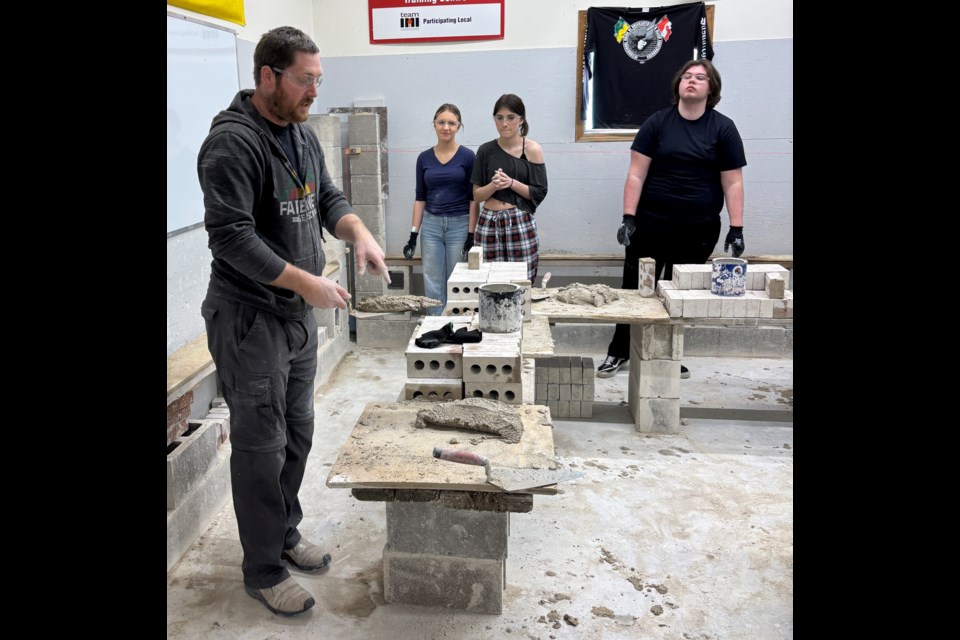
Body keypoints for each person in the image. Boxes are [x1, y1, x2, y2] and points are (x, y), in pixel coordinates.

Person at [197, 26, 390, 617]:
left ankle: (282, 534)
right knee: (260, 444)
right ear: (267, 77)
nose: (313, 91)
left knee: (298, 432)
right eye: (304, 80)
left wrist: (357, 230)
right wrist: (309, 283)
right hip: (250, 318)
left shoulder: (301, 134)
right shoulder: (233, 143)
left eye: (318, 80)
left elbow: (326, 196)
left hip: (295, 316)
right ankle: (261, 569)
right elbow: (232, 238)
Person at [597, 59, 746, 379]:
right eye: (687, 76)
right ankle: (618, 351)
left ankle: (666, 354)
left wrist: (737, 227)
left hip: (697, 229)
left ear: (711, 88)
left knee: (677, 292)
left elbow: (732, 181)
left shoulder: (723, 128)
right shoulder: (657, 123)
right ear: (678, 84)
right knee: (634, 289)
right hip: (650, 224)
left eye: (700, 77)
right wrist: (628, 218)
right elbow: (636, 175)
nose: (692, 80)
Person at [403, 104, 478, 315]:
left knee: (456, 279)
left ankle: (457, 327)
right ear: (434, 125)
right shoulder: (424, 158)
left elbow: (474, 199)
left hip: (459, 225)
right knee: (432, 279)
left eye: (451, 123)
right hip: (432, 226)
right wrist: (412, 235)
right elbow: (420, 198)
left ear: (458, 127)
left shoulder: (467, 157)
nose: (446, 127)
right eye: (441, 122)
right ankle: (435, 327)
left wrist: (471, 234)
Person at [470, 94, 548, 283]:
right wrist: (493, 185)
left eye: (511, 117)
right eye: (500, 118)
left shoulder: (532, 149)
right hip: (489, 223)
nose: (505, 123)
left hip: (519, 221)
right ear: (494, 119)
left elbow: (539, 192)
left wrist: (511, 182)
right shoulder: (485, 150)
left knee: (521, 282)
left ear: (521, 119)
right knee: (487, 282)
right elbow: (476, 195)